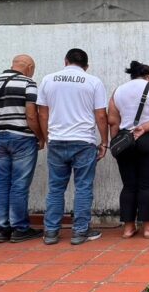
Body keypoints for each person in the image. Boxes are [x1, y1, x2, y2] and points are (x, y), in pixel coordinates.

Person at [36, 48, 108, 246]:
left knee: (55, 188)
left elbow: (43, 113)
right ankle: (80, 231)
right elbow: (101, 115)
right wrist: (104, 142)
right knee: (83, 187)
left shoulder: (48, 80)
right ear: (86, 65)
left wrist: (47, 137)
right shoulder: (93, 82)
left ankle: (51, 232)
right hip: (84, 142)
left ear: (65, 61)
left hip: (57, 140)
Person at [0, 54, 45, 244]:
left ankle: (1, 229)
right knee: (19, 185)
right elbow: (31, 115)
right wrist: (40, 137)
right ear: (29, 67)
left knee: (1, 184)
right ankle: (19, 228)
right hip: (22, 138)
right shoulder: (28, 83)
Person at [108, 60, 149, 239]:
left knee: (129, 185)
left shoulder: (118, 91)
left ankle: (128, 228)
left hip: (124, 140)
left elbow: (113, 121)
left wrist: (115, 143)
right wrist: (145, 127)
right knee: (146, 185)